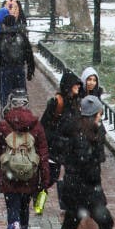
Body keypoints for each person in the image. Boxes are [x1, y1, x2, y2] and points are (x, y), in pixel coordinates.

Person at [54, 94, 115, 229]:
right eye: (99, 114)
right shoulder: (82, 136)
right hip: (82, 190)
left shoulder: (89, 132)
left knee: (84, 224)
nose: (101, 117)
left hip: (83, 189)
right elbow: (88, 162)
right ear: (93, 114)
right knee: (74, 225)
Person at [0, 89, 50, 229]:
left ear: (11, 104)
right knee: (24, 209)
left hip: (8, 176)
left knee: (12, 209)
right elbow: (44, 153)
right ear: (26, 104)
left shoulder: (3, 125)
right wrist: (44, 179)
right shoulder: (36, 126)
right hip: (29, 176)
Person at [40, 70, 83, 198]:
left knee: (71, 175)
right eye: (75, 84)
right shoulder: (56, 102)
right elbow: (44, 125)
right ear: (68, 85)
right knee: (52, 176)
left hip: (71, 146)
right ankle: (39, 195)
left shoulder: (77, 103)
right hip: (56, 146)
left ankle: (67, 204)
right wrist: (53, 140)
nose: (78, 86)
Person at [0, 11, 34, 108]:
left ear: (4, 23)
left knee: (4, 92)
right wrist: (30, 70)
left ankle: (5, 110)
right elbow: (29, 54)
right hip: (19, 68)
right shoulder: (21, 36)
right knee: (20, 91)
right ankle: (21, 111)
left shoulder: (0, 36)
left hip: (5, 69)